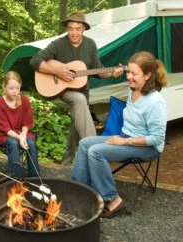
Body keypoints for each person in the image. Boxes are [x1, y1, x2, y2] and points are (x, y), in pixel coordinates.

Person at [71, 51, 168, 218]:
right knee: (86, 142)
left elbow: (157, 139)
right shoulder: (133, 89)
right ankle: (78, 191)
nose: (128, 76)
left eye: (133, 73)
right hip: (126, 137)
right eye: (128, 72)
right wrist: (123, 139)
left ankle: (114, 200)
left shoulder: (155, 102)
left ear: (147, 75)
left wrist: (125, 142)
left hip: (147, 148)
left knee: (96, 152)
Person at [30, 11, 123, 165]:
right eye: (71, 28)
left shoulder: (90, 44)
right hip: (63, 91)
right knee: (79, 100)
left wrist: (112, 74)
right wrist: (58, 71)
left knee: (78, 119)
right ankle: (96, 148)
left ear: (83, 29)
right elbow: (35, 60)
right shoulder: (58, 44)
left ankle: (67, 161)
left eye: (77, 29)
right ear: (67, 28)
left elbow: (98, 70)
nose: (74, 32)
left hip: (82, 91)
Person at [0, 71, 39, 180]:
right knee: (13, 142)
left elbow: (27, 122)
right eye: (11, 88)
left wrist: (23, 135)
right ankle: (16, 180)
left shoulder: (24, 100)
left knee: (31, 142)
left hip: (21, 132)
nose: (14, 91)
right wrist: (19, 138)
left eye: (17, 88)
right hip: (4, 134)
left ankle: (35, 178)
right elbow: (4, 128)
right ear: (4, 86)